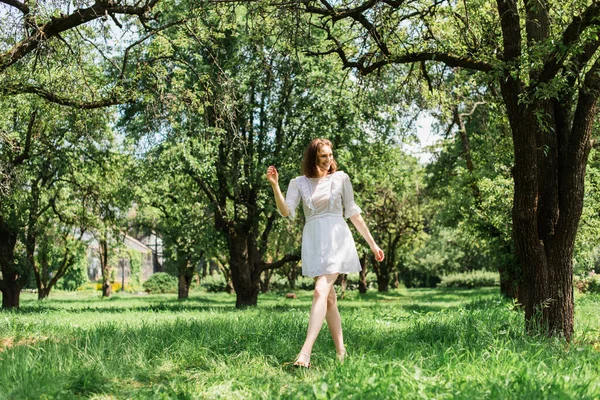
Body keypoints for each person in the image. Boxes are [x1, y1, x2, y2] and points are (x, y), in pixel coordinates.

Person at [266, 138, 384, 368]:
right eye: (323, 156)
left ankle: (305, 354)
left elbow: (353, 213)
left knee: (320, 290)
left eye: (330, 155)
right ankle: (341, 353)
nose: (328, 159)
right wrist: (275, 186)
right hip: (313, 242)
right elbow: (286, 211)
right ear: (313, 158)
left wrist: (372, 244)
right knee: (329, 299)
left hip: (337, 239)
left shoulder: (341, 179)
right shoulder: (298, 182)